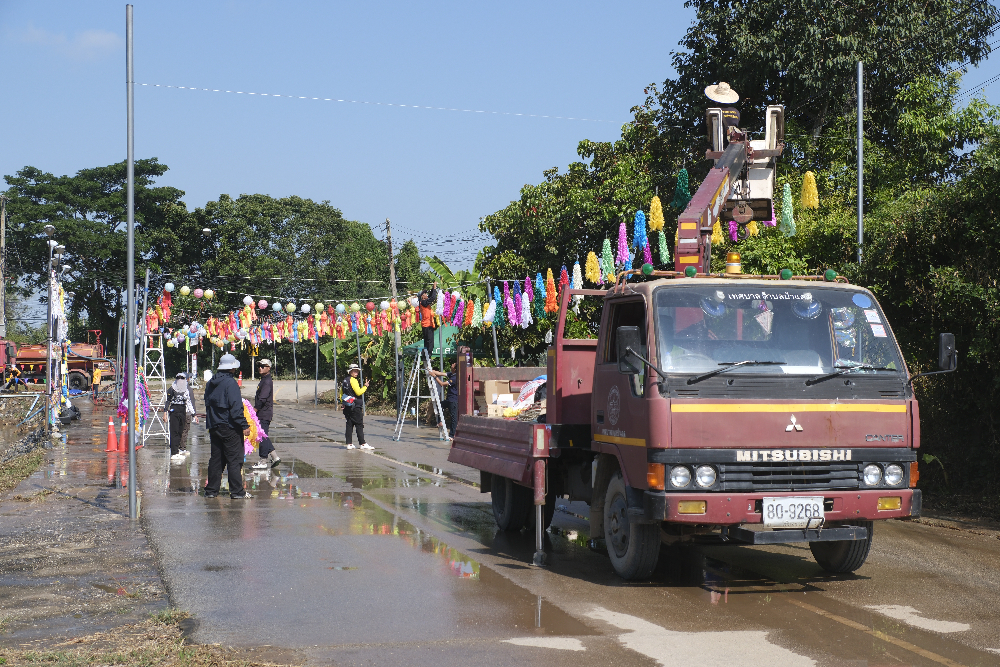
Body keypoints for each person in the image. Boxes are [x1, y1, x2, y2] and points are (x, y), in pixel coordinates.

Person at [203, 354, 252, 499]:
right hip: (230, 426)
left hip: (214, 425)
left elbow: (207, 403)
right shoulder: (231, 384)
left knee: (216, 459)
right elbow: (236, 408)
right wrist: (244, 425)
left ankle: (211, 490)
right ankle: (237, 492)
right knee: (234, 460)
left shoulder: (211, 382)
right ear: (232, 367)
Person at [252, 358, 280, 470]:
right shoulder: (264, 379)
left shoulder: (267, 381)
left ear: (269, 368)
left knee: (262, 436)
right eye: (259, 366)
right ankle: (274, 456)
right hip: (263, 413)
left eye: (263, 366)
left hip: (264, 413)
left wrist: (255, 409)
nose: (260, 368)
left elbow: (262, 398)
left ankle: (263, 461)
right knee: (262, 435)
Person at [166, 372, 195, 462]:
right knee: (174, 431)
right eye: (179, 378)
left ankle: (177, 451)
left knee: (180, 431)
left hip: (183, 410)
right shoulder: (172, 389)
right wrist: (165, 412)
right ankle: (173, 452)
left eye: (182, 378)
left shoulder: (186, 389)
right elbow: (168, 401)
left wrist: (193, 414)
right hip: (174, 410)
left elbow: (189, 402)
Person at [342, 363, 372, 450]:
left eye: (357, 371)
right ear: (350, 371)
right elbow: (358, 392)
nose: (356, 372)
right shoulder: (353, 380)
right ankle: (362, 443)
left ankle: (349, 444)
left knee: (349, 424)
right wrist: (365, 387)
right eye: (354, 371)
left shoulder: (345, 380)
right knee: (359, 424)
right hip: (355, 406)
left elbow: (341, 393)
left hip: (347, 405)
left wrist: (343, 402)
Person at [429, 361, 458, 439]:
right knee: (439, 405)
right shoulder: (451, 374)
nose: (451, 364)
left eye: (453, 364)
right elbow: (441, 373)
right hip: (449, 399)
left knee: (453, 418)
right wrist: (431, 371)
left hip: (454, 400)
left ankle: (452, 435)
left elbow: (442, 384)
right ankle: (440, 421)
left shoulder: (455, 378)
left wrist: (434, 377)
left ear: (455, 369)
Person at [179, 373, 199, 455]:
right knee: (185, 431)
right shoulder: (189, 389)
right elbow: (191, 402)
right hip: (186, 413)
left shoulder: (175, 388)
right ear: (187, 379)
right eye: (189, 378)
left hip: (177, 413)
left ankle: (177, 447)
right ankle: (182, 448)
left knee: (178, 430)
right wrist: (194, 414)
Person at [418, 282, 438, 359]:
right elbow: (432, 298)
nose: (426, 295)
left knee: (427, 341)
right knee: (430, 342)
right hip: (427, 325)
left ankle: (425, 356)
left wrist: (433, 288)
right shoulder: (423, 302)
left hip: (426, 325)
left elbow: (430, 296)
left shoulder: (423, 302)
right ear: (422, 296)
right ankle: (428, 356)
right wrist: (435, 288)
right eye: (425, 294)